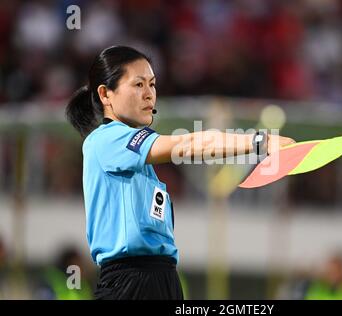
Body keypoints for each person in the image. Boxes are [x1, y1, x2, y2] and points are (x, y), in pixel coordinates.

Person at [65, 45, 295, 300]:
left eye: (152, 84)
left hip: (162, 278)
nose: (149, 94)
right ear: (106, 94)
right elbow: (188, 144)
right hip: (129, 283)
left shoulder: (137, 159)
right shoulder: (106, 140)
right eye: (138, 85)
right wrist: (259, 143)